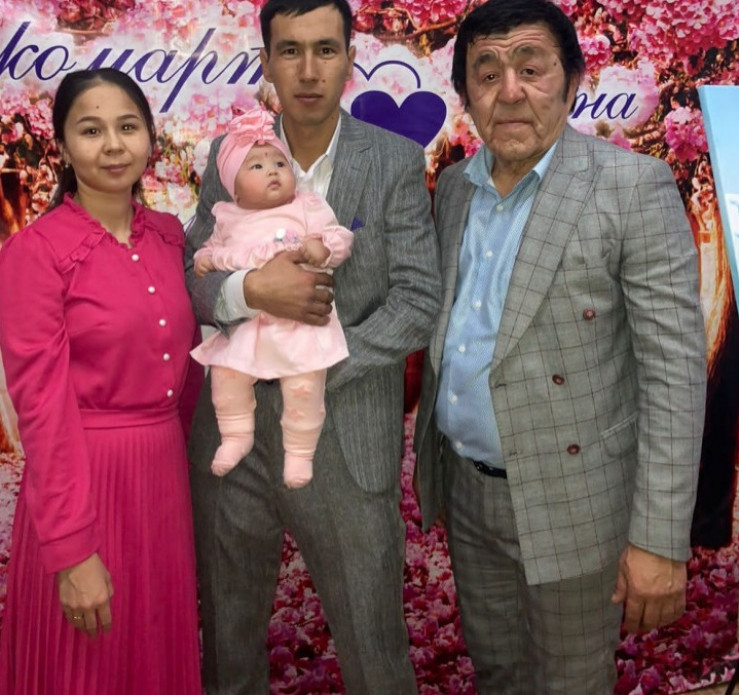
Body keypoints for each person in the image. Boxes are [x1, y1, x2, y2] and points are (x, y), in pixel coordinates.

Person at [413, 0, 707, 693]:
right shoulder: (453, 189)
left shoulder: (630, 187)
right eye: (487, 73)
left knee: (571, 682)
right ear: (465, 94)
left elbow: (673, 374)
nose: (510, 91)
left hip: (576, 503)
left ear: (572, 80)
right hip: (469, 496)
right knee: (498, 673)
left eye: (531, 67)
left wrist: (659, 538)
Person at [185, 0, 440, 692]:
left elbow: (418, 298)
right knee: (228, 647)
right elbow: (194, 273)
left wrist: (318, 358)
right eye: (290, 50)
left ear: (350, 58)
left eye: (325, 49)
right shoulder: (230, 153)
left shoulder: (393, 160)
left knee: (373, 651)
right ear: (265, 61)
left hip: (346, 433)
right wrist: (250, 292)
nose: (307, 69)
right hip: (231, 439)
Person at [0, 68, 202, 695]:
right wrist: (71, 549)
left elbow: (192, 374)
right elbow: (41, 409)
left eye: (127, 126)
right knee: (87, 665)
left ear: (150, 139)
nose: (113, 145)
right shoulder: (35, 253)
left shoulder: (171, 237)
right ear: (62, 146)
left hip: (164, 481)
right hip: (83, 481)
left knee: (153, 653)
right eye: (90, 131)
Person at [190, 107, 353, 486]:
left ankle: (300, 452)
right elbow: (207, 251)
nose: (273, 171)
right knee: (226, 376)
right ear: (233, 187)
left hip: (300, 326)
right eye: (257, 167)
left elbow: (339, 235)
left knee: (304, 388)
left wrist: (323, 249)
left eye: (279, 163)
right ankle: (235, 435)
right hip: (249, 326)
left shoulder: (306, 206)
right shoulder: (226, 216)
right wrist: (205, 259)